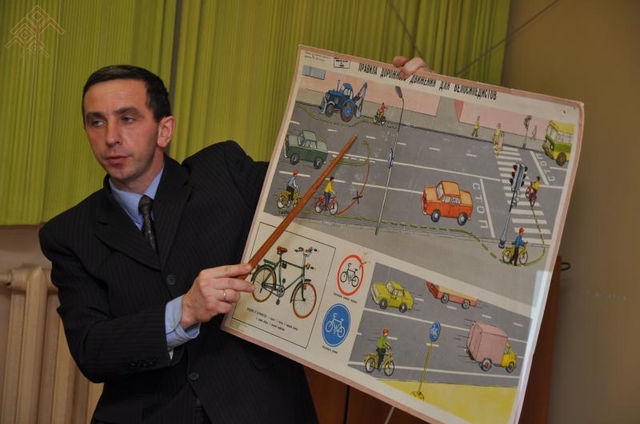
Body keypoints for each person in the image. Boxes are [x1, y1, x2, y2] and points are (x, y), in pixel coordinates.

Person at [39, 57, 428, 424]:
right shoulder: (68, 233)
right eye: (96, 122)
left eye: (127, 118)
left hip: (261, 407)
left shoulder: (223, 172)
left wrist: (411, 106)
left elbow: (333, 180)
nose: (111, 137)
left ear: (164, 129)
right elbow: (93, 350)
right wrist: (183, 311)